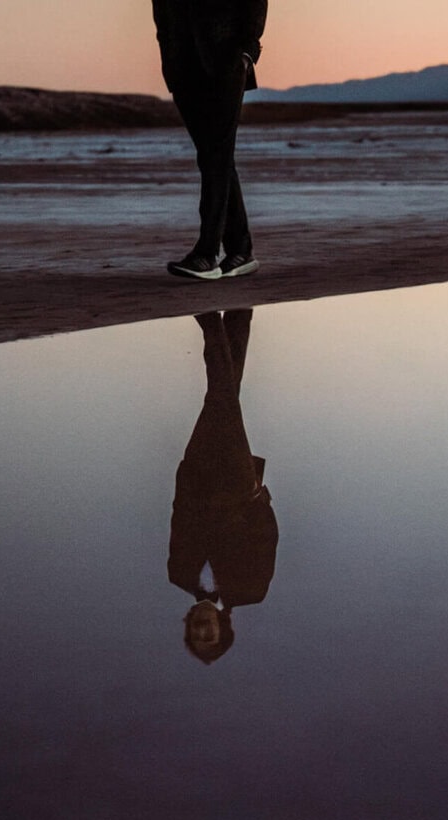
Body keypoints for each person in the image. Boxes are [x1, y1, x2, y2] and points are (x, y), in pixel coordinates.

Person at [168, 309, 276, 662]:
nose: (200, 628)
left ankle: (238, 317)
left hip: (197, 475)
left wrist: (183, 480)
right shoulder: (251, 591)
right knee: (221, 402)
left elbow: (178, 522)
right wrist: (257, 500)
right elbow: (267, 540)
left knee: (224, 398)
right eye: (208, 634)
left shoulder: (179, 574)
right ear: (222, 626)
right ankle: (211, 323)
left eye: (194, 633)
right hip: (236, 485)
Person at [153, 1, 268, 281]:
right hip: (182, 69)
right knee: (213, 157)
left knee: (216, 156)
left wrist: (246, 52)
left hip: (225, 64)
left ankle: (206, 254)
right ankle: (241, 251)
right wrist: (169, 64)